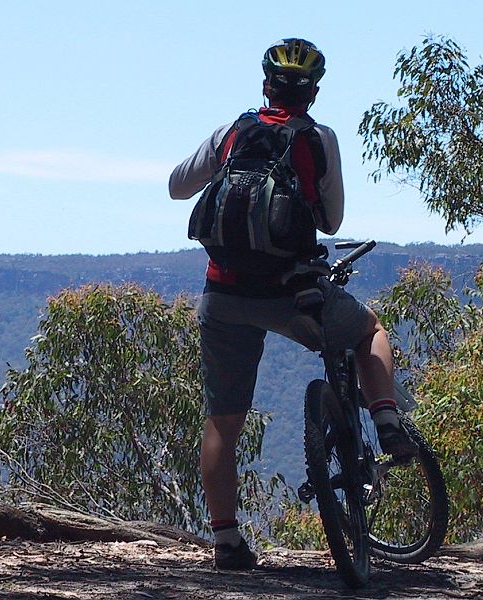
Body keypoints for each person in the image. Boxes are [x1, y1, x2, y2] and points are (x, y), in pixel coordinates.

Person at [168, 38, 414, 571]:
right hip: (293, 294)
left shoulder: (232, 132)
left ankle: (227, 542)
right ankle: (386, 418)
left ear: (265, 86)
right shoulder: (318, 139)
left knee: (222, 425)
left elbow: (175, 188)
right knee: (370, 330)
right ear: (314, 93)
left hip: (225, 295)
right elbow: (332, 222)